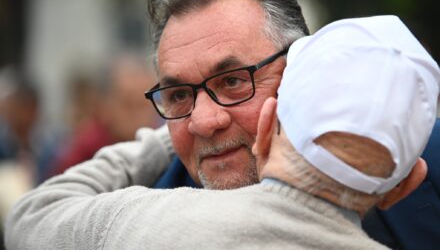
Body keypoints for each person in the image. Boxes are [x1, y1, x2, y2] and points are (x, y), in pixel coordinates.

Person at [4, 15, 439, 250]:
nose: (203, 121)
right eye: (177, 95)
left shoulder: (145, 224)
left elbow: (33, 218)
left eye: (234, 81)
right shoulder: (153, 199)